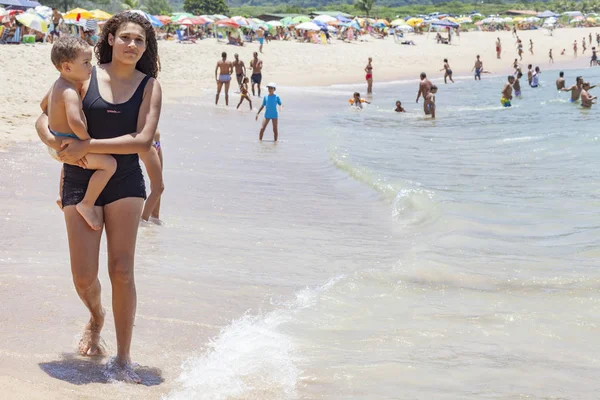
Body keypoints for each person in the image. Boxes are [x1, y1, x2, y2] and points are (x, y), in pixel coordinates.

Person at [35, 11, 162, 384]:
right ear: (110, 38)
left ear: (145, 46)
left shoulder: (149, 86)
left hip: (124, 180)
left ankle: (123, 358)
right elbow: (42, 115)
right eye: (125, 37)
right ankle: (96, 316)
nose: (132, 45)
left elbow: (141, 141)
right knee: (83, 276)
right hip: (77, 176)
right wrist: (54, 143)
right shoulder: (84, 72)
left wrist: (85, 144)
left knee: (121, 270)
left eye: (139, 40)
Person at [45, 36, 117, 231]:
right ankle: (87, 203)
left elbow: (43, 106)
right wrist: (87, 141)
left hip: (58, 143)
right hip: (71, 144)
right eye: (86, 62)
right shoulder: (69, 91)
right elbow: (75, 120)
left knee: (66, 165)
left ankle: (62, 196)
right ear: (67, 67)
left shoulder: (58, 85)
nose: (90, 67)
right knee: (109, 164)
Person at [139, 129, 164, 224]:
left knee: (156, 185)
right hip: (147, 143)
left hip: (156, 143)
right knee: (159, 187)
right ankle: (143, 221)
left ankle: (154, 219)